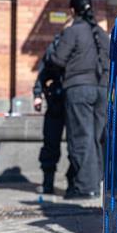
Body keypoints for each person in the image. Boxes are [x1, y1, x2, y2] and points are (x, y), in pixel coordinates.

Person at [50, 0, 109, 200]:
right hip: (103, 89)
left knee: (80, 138)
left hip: (79, 89)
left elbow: (57, 60)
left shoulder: (73, 31)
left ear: (72, 11)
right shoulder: (101, 33)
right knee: (96, 138)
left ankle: (85, 187)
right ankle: (97, 182)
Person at [33, 32, 76, 195]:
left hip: (72, 101)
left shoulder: (76, 47)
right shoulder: (55, 48)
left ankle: (72, 182)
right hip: (57, 101)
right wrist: (37, 94)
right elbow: (43, 73)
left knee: (75, 145)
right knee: (52, 143)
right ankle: (49, 183)